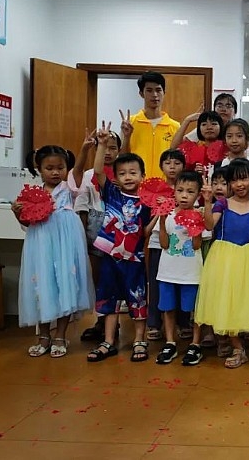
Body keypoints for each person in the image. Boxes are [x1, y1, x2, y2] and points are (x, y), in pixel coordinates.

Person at [195, 160, 249, 368]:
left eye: (243, 179)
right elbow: (209, 225)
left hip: (247, 257)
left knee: (241, 299)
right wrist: (208, 202)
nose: (239, 184)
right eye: (233, 181)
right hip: (223, 257)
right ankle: (237, 348)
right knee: (226, 300)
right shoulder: (223, 204)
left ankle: (239, 336)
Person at [12, 146, 94, 358]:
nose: (56, 172)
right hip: (41, 243)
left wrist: (85, 149)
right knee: (42, 285)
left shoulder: (69, 188)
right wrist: (17, 213)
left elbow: (79, 169)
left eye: (60, 167)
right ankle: (44, 336)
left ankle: (60, 335)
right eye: (49, 168)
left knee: (65, 284)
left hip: (66, 243)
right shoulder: (33, 194)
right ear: (38, 168)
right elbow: (26, 223)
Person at [87, 122, 157, 363]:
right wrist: (102, 144)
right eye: (123, 173)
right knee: (109, 300)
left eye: (133, 172)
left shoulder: (147, 202)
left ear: (143, 176)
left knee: (138, 299)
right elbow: (98, 170)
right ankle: (109, 341)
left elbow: (144, 232)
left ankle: (139, 339)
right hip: (110, 258)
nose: (128, 177)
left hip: (134, 260)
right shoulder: (112, 193)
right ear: (115, 177)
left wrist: (158, 216)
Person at [70, 129, 121, 343]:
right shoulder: (90, 175)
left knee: (117, 278)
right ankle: (101, 320)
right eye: (104, 147)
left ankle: (115, 322)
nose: (108, 152)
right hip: (96, 228)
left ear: (119, 151)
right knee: (99, 278)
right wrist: (82, 237)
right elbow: (82, 206)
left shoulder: (125, 173)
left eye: (113, 148)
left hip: (120, 230)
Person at [154, 171, 205, 366]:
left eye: (190, 192)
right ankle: (170, 342)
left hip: (191, 273)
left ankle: (195, 344)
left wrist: (195, 226)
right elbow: (164, 244)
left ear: (198, 194)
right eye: (180, 190)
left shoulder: (199, 214)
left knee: (194, 310)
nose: (184, 195)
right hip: (167, 271)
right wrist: (161, 219)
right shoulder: (168, 214)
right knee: (168, 308)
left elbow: (197, 246)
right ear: (173, 192)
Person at [146, 150, 190, 343]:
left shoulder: (188, 189)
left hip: (181, 243)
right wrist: (160, 209)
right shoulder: (154, 191)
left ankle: (183, 322)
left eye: (177, 163)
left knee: (183, 282)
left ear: (184, 166)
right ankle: (154, 323)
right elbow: (147, 222)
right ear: (161, 166)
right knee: (157, 284)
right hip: (158, 243)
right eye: (168, 163)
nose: (172, 167)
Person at [119, 72, 180, 178]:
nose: (155, 95)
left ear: (164, 92)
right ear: (141, 93)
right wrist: (127, 137)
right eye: (149, 90)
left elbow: (179, 161)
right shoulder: (130, 123)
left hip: (165, 185)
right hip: (137, 184)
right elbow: (122, 159)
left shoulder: (175, 126)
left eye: (158, 90)